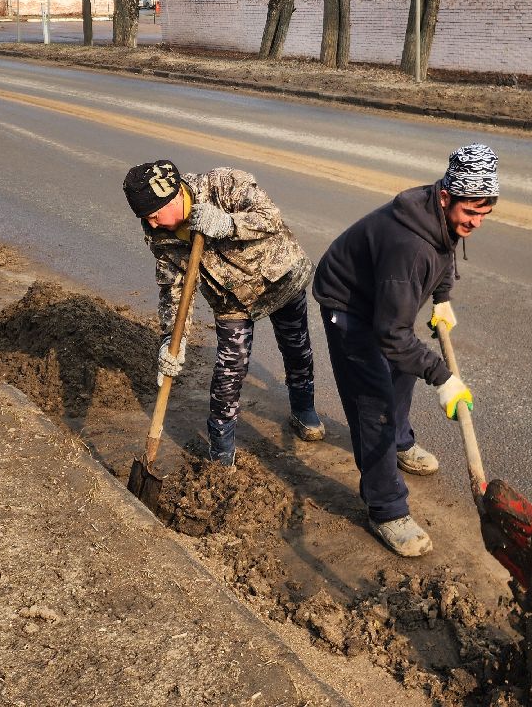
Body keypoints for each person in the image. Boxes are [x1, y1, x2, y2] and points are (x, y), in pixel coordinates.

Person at [312, 143, 498, 557]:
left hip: (381, 298)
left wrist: (443, 297)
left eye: (485, 213)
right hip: (347, 303)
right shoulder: (409, 247)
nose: (477, 222)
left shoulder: (437, 213)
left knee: (401, 373)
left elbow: (445, 250)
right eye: (470, 212)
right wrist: (444, 377)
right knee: (374, 402)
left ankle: (398, 442)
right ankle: (386, 509)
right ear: (447, 196)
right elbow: (391, 335)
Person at [123, 159, 323, 468]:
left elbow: (270, 218)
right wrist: (171, 340)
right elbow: (173, 288)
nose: (151, 224)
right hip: (230, 300)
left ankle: (303, 409)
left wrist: (228, 224)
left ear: (174, 196)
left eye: (154, 215)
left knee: (296, 348)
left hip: (278, 277)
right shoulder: (161, 237)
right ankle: (221, 452)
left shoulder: (222, 183)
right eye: (145, 218)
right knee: (228, 374)